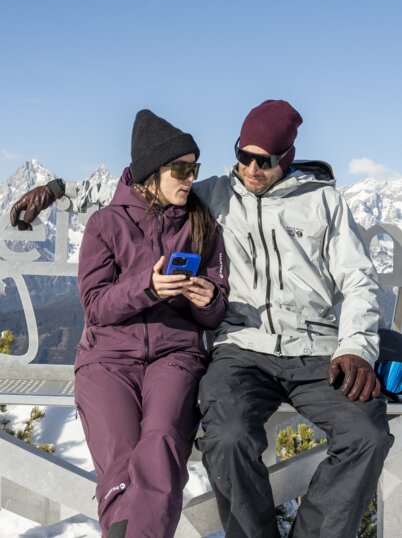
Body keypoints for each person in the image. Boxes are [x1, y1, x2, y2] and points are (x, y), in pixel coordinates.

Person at [10, 99, 393, 538]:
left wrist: (355, 348)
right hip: (241, 348)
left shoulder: (324, 202)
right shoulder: (217, 192)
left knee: (368, 435)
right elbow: (139, 187)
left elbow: (360, 281)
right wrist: (59, 189)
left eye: (263, 161)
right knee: (227, 437)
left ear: (285, 159)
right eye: (242, 156)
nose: (250, 169)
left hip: (316, 350)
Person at [13, 109, 228, 538]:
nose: (191, 178)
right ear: (152, 171)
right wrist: (147, 288)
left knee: (162, 443)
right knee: (121, 461)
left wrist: (207, 301)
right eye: (181, 169)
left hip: (175, 356)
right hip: (107, 361)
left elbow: (216, 307)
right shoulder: (105, 224)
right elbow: (95, 306)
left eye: (195, 168)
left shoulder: (201, 224)